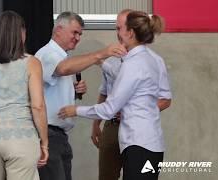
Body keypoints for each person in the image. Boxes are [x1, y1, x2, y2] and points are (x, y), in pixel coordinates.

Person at [59, 10, 172, 180]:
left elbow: (109, 108)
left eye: (120, 29)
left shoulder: (133, 63)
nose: (117, 34)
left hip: (137, 143)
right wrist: (101, 61)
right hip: (151, 142)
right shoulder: (147, 60)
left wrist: (75, 110)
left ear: (130, 33)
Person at [35, 11, 127, 180]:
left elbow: (52, 89)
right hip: (49, 135)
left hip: (59, 136)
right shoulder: (48, 53)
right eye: (74, 32)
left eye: (80, 34)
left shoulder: (62, 56)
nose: (78, 38)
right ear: (58, 30)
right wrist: (100, 53)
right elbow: (62, 69)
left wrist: (75, 92)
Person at [0, 11, 48, 180]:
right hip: (21, 136)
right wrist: (45, 142)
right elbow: (38, 106)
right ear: (21, 33)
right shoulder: (32, 63)